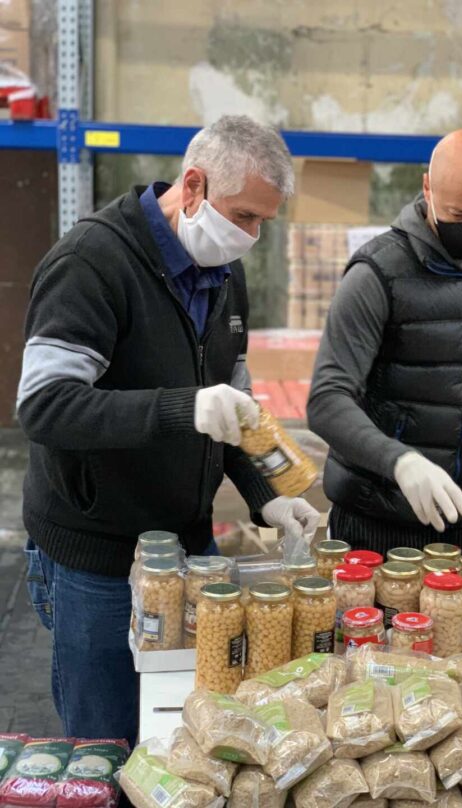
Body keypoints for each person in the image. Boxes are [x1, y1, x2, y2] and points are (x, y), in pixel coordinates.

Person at [17, 115, 319, 748]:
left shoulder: (223, 274)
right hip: (97, 557)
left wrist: (269, 498)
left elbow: (234, 407)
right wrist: (181, 408)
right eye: (244, 216)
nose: (252, 236)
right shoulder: (91, 263)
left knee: (184, 740)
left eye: (264, 221)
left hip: (188, 546)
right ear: (193, 185)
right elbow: (45, 407)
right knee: (105, 742)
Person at [307, 128, 462, 558]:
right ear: (427, 188)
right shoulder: (377, 273)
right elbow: (327, 400)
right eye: (458, 214)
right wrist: (398, 462)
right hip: (377, 522)